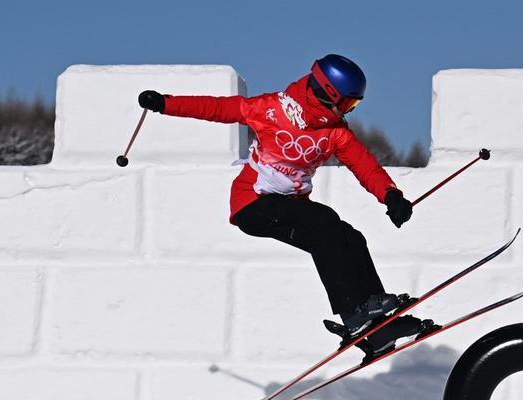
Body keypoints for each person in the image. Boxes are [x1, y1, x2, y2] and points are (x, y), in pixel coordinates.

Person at [138, 54, 434, 358]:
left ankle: (379, 325)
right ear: (327, 93)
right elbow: (217, 108)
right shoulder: (269, 109)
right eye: (347, 104)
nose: (348, 112)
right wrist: (165, 103)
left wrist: (390, 196)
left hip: (289, 208)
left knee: (350, 237)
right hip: (253, 204)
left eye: (354, 106)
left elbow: (365, 165)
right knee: (323, 222)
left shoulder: (335, 133)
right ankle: (355, 314)